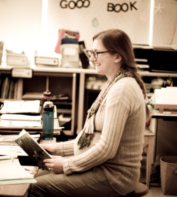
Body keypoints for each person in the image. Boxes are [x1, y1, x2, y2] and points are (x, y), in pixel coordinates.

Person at [28, 29, 149, 197]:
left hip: (115, 177)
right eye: (92, 53)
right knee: (33, 175)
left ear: (117, 56)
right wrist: (57, 148)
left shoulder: (122, 89)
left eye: (97, 53)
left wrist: (67, 164)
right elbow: (91, 140)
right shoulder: (114, 83)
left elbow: (106, 149)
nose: (92, 58)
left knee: (34, 186)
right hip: (103, 168)